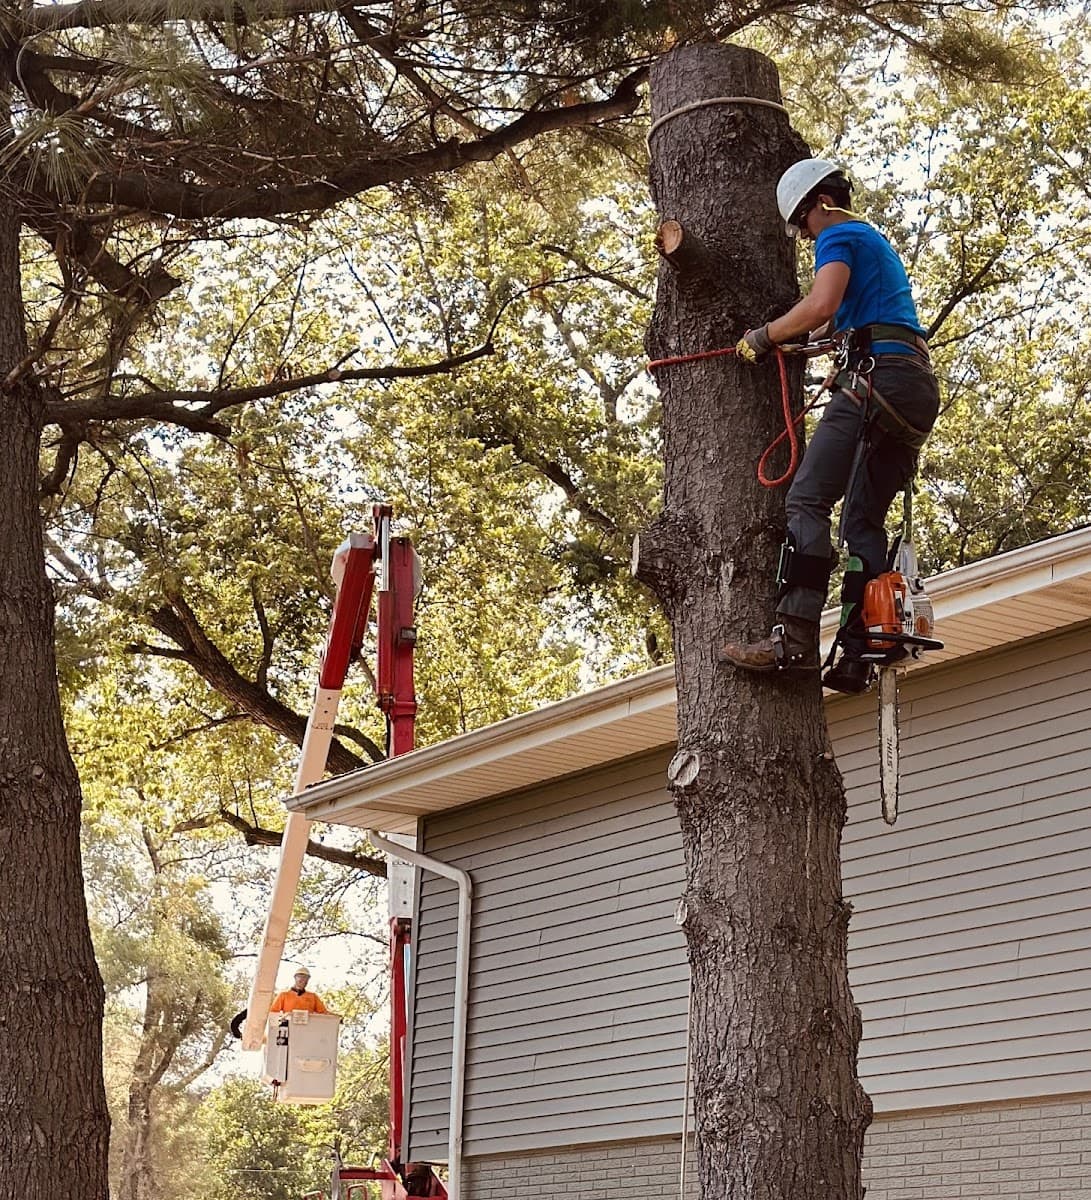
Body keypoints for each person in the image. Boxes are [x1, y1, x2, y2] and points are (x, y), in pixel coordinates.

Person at [720, 158, 941, 694]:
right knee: (861, 523)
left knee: (807, 499)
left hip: (878, 380)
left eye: (803, 222)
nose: (804, 235)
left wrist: (763, 336)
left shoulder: (839, 234)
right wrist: (805, 339)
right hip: (913, 387)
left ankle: (793, 639)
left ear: (822, 202)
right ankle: (859, 651)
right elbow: (839, 321)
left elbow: (821, 304)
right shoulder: (872, 243)